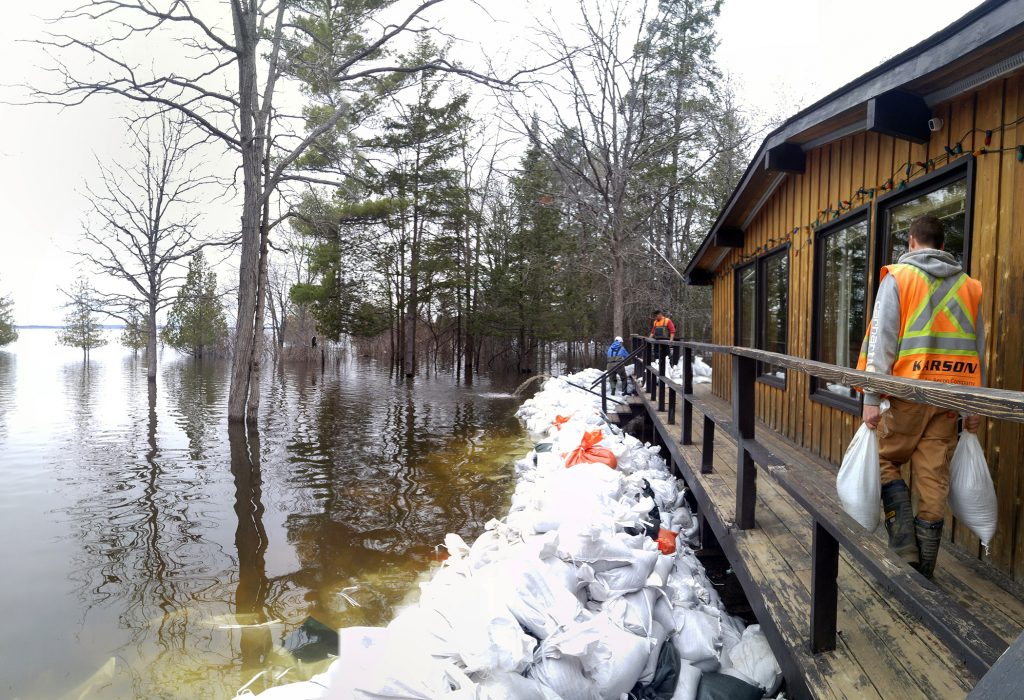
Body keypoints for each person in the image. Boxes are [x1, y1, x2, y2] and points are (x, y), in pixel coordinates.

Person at [858, 214, 984, 579]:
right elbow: (978, 350)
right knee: (933, 479)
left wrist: (870, 398)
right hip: (949, 400)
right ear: (943, 246)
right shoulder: (969, 287)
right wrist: (974, 404)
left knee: (881, 460)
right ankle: (923, 570)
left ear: (911, 242)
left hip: (907, 395)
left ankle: (904, 547)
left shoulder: (899, 277)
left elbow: (883, 339)